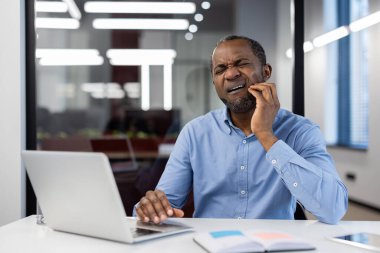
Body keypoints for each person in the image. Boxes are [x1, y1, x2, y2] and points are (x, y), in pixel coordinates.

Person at [134, 35, 348, 225]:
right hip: (210, 246)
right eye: (220, 69)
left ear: (266, 72)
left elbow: (333, 209)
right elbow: (165, 205)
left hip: (274, 247)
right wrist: (151, 208)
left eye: (241, 64)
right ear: (215, 82)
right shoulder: (195, 133)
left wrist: (265, 135)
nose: (231, 74)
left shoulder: (301, 130)